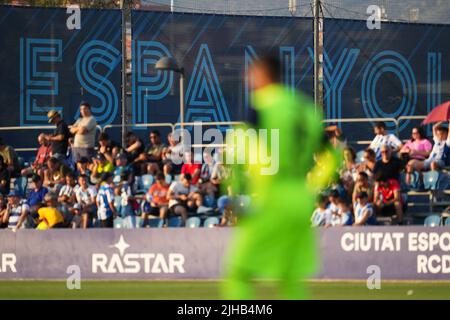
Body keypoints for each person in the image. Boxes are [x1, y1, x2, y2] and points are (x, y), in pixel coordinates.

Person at [222, 55, 341, 300]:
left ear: (263, 75)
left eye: (251, 74)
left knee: (238, 273)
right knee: (290, 278)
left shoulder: (259, 107)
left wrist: (234, 194)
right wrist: (312, 186)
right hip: (300, 198)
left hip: (270, 197)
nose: (248, 79)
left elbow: (234, 156)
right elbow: (333, 158)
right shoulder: (305, 107)